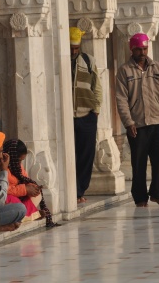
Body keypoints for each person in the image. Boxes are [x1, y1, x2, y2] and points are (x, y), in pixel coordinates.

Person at [115, 33, 159, 207]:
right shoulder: (124, 71)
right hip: (138, 125)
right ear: (132, 49)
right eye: (138, 49)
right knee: (139, 163)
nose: (142, 52)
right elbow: (121, 99)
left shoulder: (158, 68)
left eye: (144, 48)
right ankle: (140, 198)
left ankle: (157, 194)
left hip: (158, 122)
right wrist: (128, 122)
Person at [70, 27, 102, 204]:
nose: (73, 52)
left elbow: (97, 86)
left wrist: (96, 109)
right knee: (71, 154)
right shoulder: (61, 60)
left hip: (86, 115)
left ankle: (80, 190)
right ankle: (72, 189)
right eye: (71, 48)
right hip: (68, 118)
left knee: (85, 155)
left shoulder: (88, 60)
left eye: (76, 48)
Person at [2, 139, 59, 227]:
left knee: (37, 194)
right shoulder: (1, 167)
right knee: (13, 201)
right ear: (11, 157)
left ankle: (26, 215)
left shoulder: (17, 166)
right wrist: (25, 189)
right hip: (9, 197)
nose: (20, 163)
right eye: (18, 160)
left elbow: (25, 179)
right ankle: (30, 216)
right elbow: (4, 190)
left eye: (21, 161)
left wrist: (32, 188)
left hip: (20, 196)